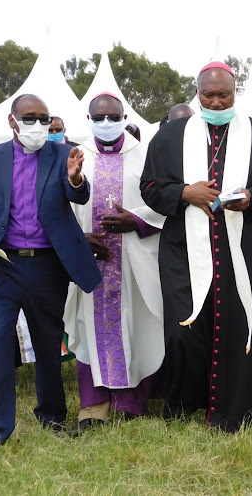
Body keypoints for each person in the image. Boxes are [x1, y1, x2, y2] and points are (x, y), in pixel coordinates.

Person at [140, 62, 252, 432]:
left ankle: (243, 403)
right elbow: (149, 188)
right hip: (183, 250)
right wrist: (183, 192)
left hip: (241, 248)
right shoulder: (170, 136)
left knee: (242, 325)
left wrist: (251, 198)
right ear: (197, 93)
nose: (215, 100)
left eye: (222, 94)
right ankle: (186, 400)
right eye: (207, 94)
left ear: (234, 92)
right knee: (184, 330)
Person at [0, 94, 101, 453]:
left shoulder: (62, 154)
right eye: (29, 118)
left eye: (43, 118)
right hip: (0, 265)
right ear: (12, 121)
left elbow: (77, 195)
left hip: (46, 267)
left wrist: (76, 179)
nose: (37, 126)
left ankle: (51, 417)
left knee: (48, 345)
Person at [64, 93, 166, 435]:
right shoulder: (77, 156)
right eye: (99, 117)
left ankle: (131, 403)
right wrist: (80, 240)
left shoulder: (144, 155)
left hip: (133, 260)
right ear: (89, 118)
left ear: (125, 117)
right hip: (91, 263)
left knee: (136, 326)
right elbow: (60, 208)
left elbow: (162, 202)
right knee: (88, 325)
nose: (105, 123)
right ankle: (94, 406)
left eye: (113, 116)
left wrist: (135, 222)